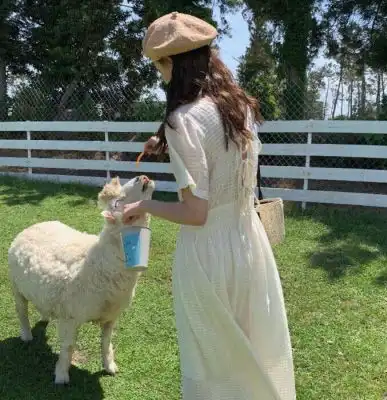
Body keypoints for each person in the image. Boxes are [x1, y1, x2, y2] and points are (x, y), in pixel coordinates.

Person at [123, 11, 296, 400]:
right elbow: (220, 153)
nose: (159, 75)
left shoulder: (182, 120)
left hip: (207, 256)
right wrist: (164, 144)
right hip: (249, 244)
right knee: (254, 348)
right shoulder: (239, 106)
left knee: (211, 363)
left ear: (172, 62)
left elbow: (196, 213)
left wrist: (145, 208)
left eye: (159, 66)